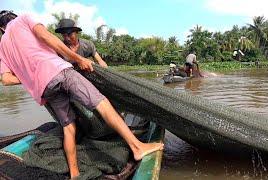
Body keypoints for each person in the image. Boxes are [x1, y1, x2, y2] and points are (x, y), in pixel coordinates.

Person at [0, 10, 163, 178]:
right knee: (102, 103)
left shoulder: (2, 46)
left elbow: (5, 79)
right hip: (59, 72)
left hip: (44, 89)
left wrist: (32, 77)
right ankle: (137, 147)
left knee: (68, 128)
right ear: (14, 17)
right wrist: (78, 60)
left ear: (2, 28)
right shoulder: (24, 19)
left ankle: (74, 174)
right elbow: (47, 38)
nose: (67, 36)